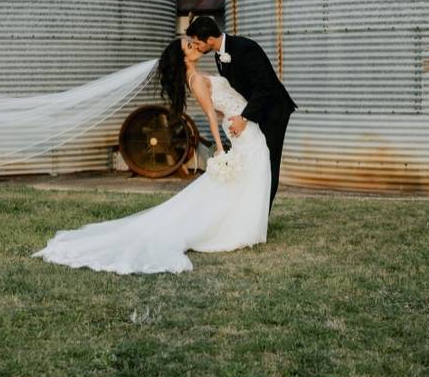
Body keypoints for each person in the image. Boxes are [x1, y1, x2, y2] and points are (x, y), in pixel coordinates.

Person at [32, 37, 273, 274]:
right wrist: (220, 150)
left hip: (243, 125)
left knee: (248, 174)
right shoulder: (196, 79)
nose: (195, 46)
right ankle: (236, 231)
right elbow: (211, 115)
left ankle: (239, 228)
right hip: (239, 129)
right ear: (182, 58)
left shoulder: (197, 76)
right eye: (189, 46)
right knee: (246, 171)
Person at [185, 16, 296, 213]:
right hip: (248, 111)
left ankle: (261, 217)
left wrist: (244, 117)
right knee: (253, 162)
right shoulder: (219, 55)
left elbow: (265, 87)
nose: (196, 47)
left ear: (209, 39)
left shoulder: (245, 48)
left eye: (197, 43)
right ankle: (247, 212)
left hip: (272, 110)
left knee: (268, 163)